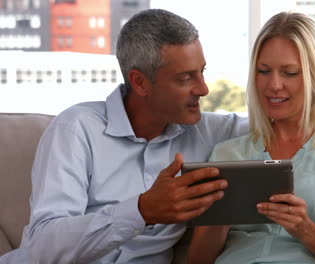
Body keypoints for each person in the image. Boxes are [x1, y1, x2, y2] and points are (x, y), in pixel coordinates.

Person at [0, 9, 248, 264]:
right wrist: (142, 210)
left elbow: (277, 121)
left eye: (202, 71)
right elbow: (44, 246)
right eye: (185, 78)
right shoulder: (76, 129)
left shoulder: (209, 131)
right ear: (139, 82)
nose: (203, 89)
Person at [187, 12, 315, 264]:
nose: (274, 85)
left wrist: (306, 230)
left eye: (289, 73)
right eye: (263, 71)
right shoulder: (226, 155)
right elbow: (196, 261)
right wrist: (220, 221)